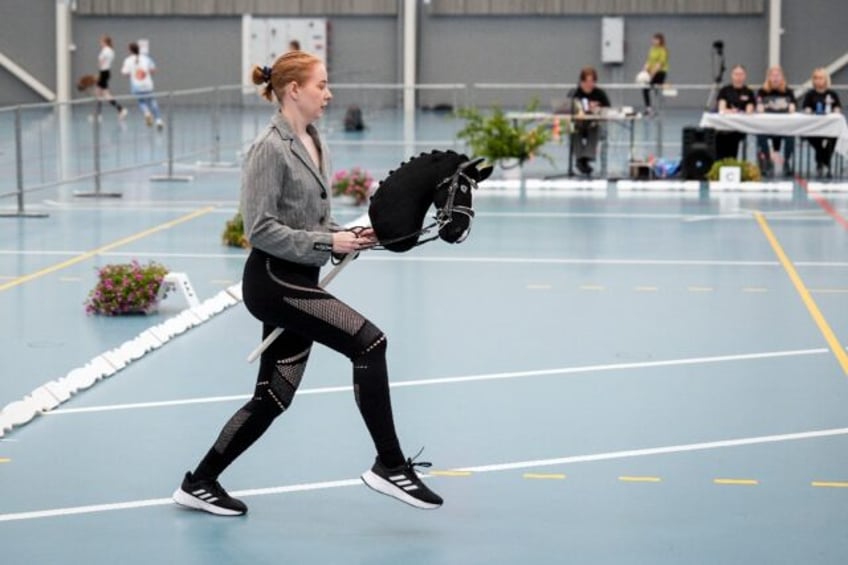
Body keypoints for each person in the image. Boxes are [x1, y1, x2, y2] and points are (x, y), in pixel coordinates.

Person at [171, 50, 443, 516]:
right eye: (321, 84)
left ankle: (200, 482)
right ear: (293, 89)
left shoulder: (315, 140)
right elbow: (258, 229)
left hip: (300, 280)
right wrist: (327, 242)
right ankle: (390, 465)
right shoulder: (269, 148)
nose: (329, 93)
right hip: (274, 282)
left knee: (273, 397)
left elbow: (314, 220)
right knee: (369, 343)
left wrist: (353, 235)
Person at [755, 66, 796, 177]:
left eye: (777, 75)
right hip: (767, 127)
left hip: (783, 127)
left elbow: (793, 106)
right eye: (772, 76)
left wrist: (792, 106)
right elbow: (758, 106)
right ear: (768, 77)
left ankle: (786, 162)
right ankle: (768, 161)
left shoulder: (788, 91)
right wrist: (759, 107)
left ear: (782, 77)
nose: (775, 78)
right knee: (760, 135)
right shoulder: (762, 91)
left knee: (791, 136)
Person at [801, 67, 842, 178]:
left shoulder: (832, 94)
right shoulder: (810, 94)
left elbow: (838, 108)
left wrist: (836, 110)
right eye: (816, 78)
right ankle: (824, 161)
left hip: (829, 127)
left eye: (821, 78)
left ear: (826, 80)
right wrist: (808, 110)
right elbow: (806, 108)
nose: (818, 80)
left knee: (833, 137)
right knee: (816, 139)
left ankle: (822, 161)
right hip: (814, 128)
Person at [570, 66, 611, 176]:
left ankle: (584, 159)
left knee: (595, 127)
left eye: (592, 81)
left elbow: (608, 109)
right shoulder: (574, 93)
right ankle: (581, 159)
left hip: (593, 124)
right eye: (587, 81)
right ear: (582, 81)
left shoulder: (600, 93)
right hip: (579, 124)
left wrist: (598, 109)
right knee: (573, 129)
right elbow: (568, 108)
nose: (590, 84)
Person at [120, 42, 164, 130]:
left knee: (141, 101)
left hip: (136, 85)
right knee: (152, 101)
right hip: (148, 84)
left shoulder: (128, 60)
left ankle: (146, 113)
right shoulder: (146, 58)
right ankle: (159, 120)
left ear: (130, 50)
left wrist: (131, 73)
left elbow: (124, 73)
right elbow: (153, 70)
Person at [715, 65, 755, 159]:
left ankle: (731, 162)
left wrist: (740, 112)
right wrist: (730, 111)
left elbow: (749, 110)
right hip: (724, 126)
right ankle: (719, 163)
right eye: (736, 74)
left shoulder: (749, 92)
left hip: (739, 127)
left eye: (741, 74)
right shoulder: (724, 90)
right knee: (719, 137)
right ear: (732, 75)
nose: (738, 77)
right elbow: (721, 108)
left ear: (745, 76)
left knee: (733, 137)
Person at [95, 35, 127, 119]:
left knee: (104, 94)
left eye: (101, 42)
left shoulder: (105, 50)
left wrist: (100, 73)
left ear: (105, 42)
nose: (100, 43)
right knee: (100, 93)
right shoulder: (111, 51)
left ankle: (120, 109)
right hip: (106, 72)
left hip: (103, 72)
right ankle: (99, 114)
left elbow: (101, 62)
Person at [641, 33, 668, 113]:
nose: (653, 41)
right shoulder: (652, 49)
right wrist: (644, 71)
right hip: (651, 72)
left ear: (660, 40)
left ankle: (659, 108)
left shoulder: (663, 50)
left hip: (660, 73)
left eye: (656, 39)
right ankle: (648, 108)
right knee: (645, 89)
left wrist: (651, 75)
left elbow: (659, 64)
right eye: (653, 39)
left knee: (657, 89)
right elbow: (649, 61)